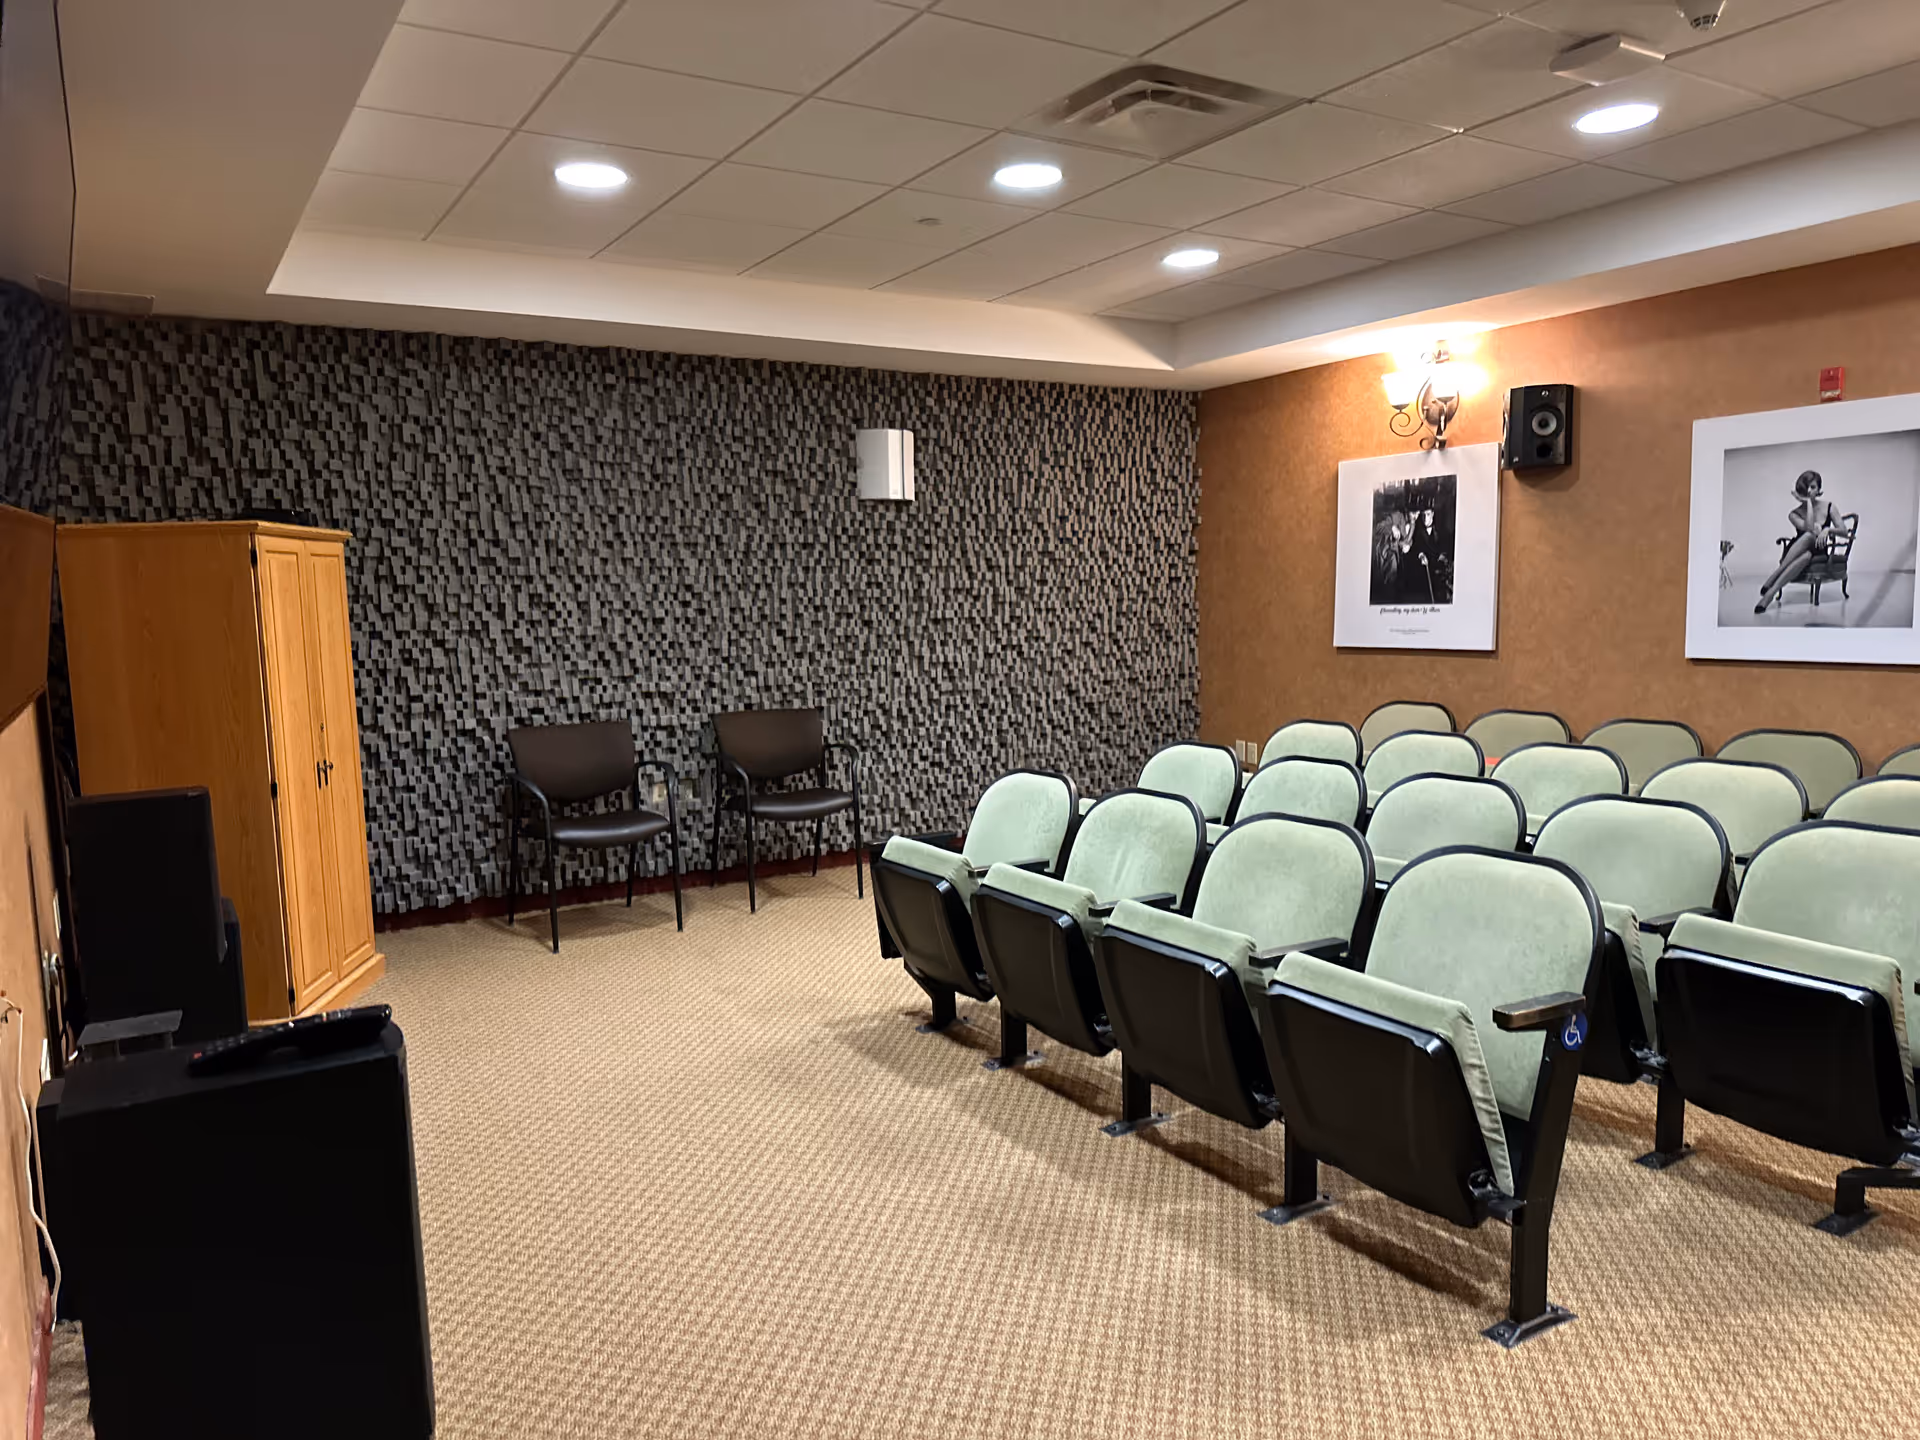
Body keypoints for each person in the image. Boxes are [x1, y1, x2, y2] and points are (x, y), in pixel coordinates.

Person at [1755, 470, 1843, 613]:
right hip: (1797, 550)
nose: (1809, 491)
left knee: (1809, 537)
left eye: (1813, 487)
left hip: (1819, 549)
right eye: (1806, 487)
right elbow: (1809, 528)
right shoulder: (1793, 514)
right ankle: (1769, 595)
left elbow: (1844, 531)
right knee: (1807, 552)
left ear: (1819, 488)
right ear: (1801, 490)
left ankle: (1774, 576)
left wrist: (1828, 530)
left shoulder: (1829, 507)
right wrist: (1808, 502)